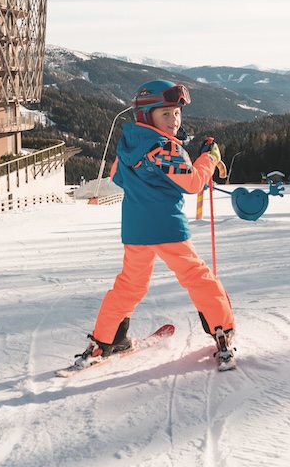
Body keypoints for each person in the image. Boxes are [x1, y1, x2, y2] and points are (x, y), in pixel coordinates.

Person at [77, 80, 237, 368]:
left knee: (130, 285)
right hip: (167, 228)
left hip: (136, 229)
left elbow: (117, 177)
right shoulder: (163, 148)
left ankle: (105, 341)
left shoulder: (129, 143)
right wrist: (209, 158)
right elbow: (192, 183)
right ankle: (222, 331)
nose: (174, 121)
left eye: (176, 113)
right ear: (145, 115)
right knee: (197, 277)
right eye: (165, 114)